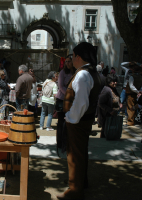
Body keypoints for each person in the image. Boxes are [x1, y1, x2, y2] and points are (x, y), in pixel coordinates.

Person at [57, 42, 102, 200]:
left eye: (73, 56)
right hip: (84, 120)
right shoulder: (91, 72)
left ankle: (75, 190)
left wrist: (70, 118)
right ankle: (80, 182)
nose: (71, 59)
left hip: (78, 121)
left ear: (78, 57)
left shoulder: (83, 74)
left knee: (74, 155)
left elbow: (81, 102)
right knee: (81, 152)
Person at [55, 55, 75, 149]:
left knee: (69, 122)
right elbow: (61, 86)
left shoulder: (75, 72)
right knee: (61, 122)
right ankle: (60, 143)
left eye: (69, 61)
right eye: (66, 61)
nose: (67, 63)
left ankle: (68, 142)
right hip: (62, 99)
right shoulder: (63, 72)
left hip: (73, 100)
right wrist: (69, 94)